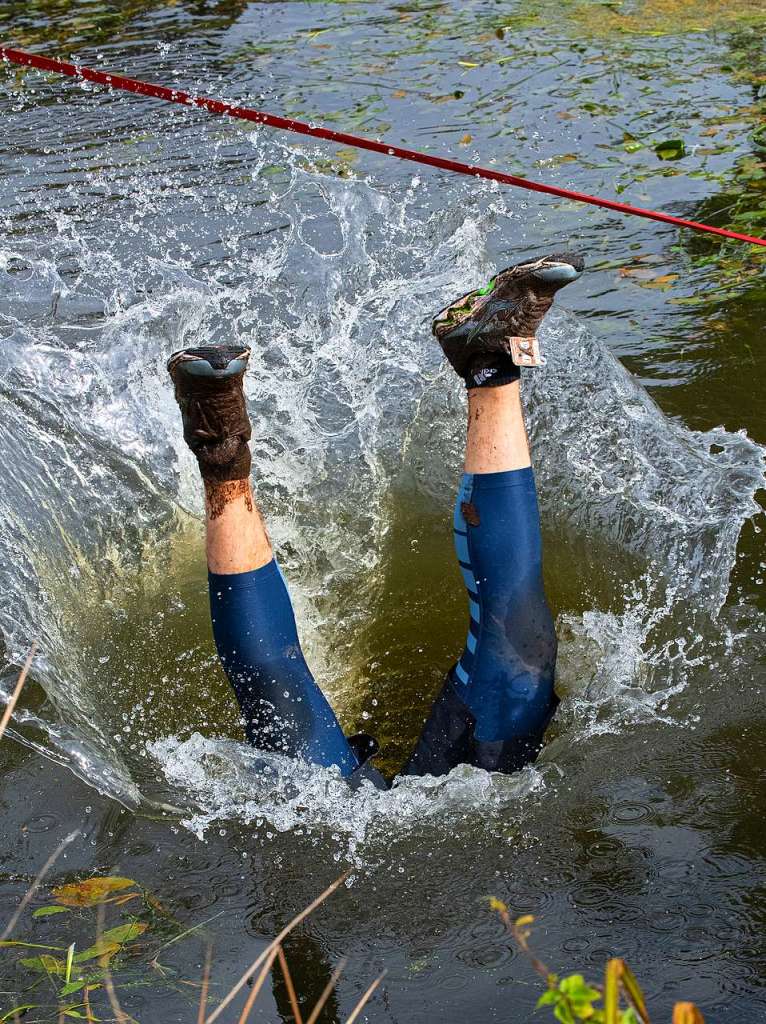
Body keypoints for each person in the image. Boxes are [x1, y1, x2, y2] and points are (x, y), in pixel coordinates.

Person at [166, 252, 584, 789]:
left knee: (278, 700)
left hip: (334, 819)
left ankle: (219, 446)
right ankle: (491, 361)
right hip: (456, 807)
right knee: (527, 653)